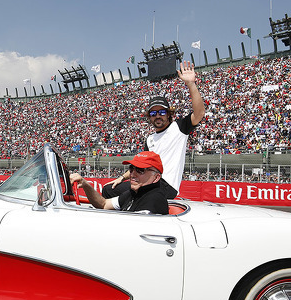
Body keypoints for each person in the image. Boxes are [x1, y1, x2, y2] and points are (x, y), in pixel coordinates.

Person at [103, 60, 205, 199]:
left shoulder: (179, 128)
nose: (158, 116)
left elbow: (199, 114)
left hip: (165, 186)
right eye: (153, 113)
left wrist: (191, 84)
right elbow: (141, 165)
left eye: (162, 112)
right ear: (149, 118)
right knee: (109, 190)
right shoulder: (150, 139)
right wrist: (122, 178)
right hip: (149, 182)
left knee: (115, 194)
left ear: (169, 114)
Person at [70, 151, 168, 215]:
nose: (132, 174)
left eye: (140, 170)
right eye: (131, 169)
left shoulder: (154, 200)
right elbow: (103, 204)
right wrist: (85, 184)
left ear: (156, 177)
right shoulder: (135, 193)